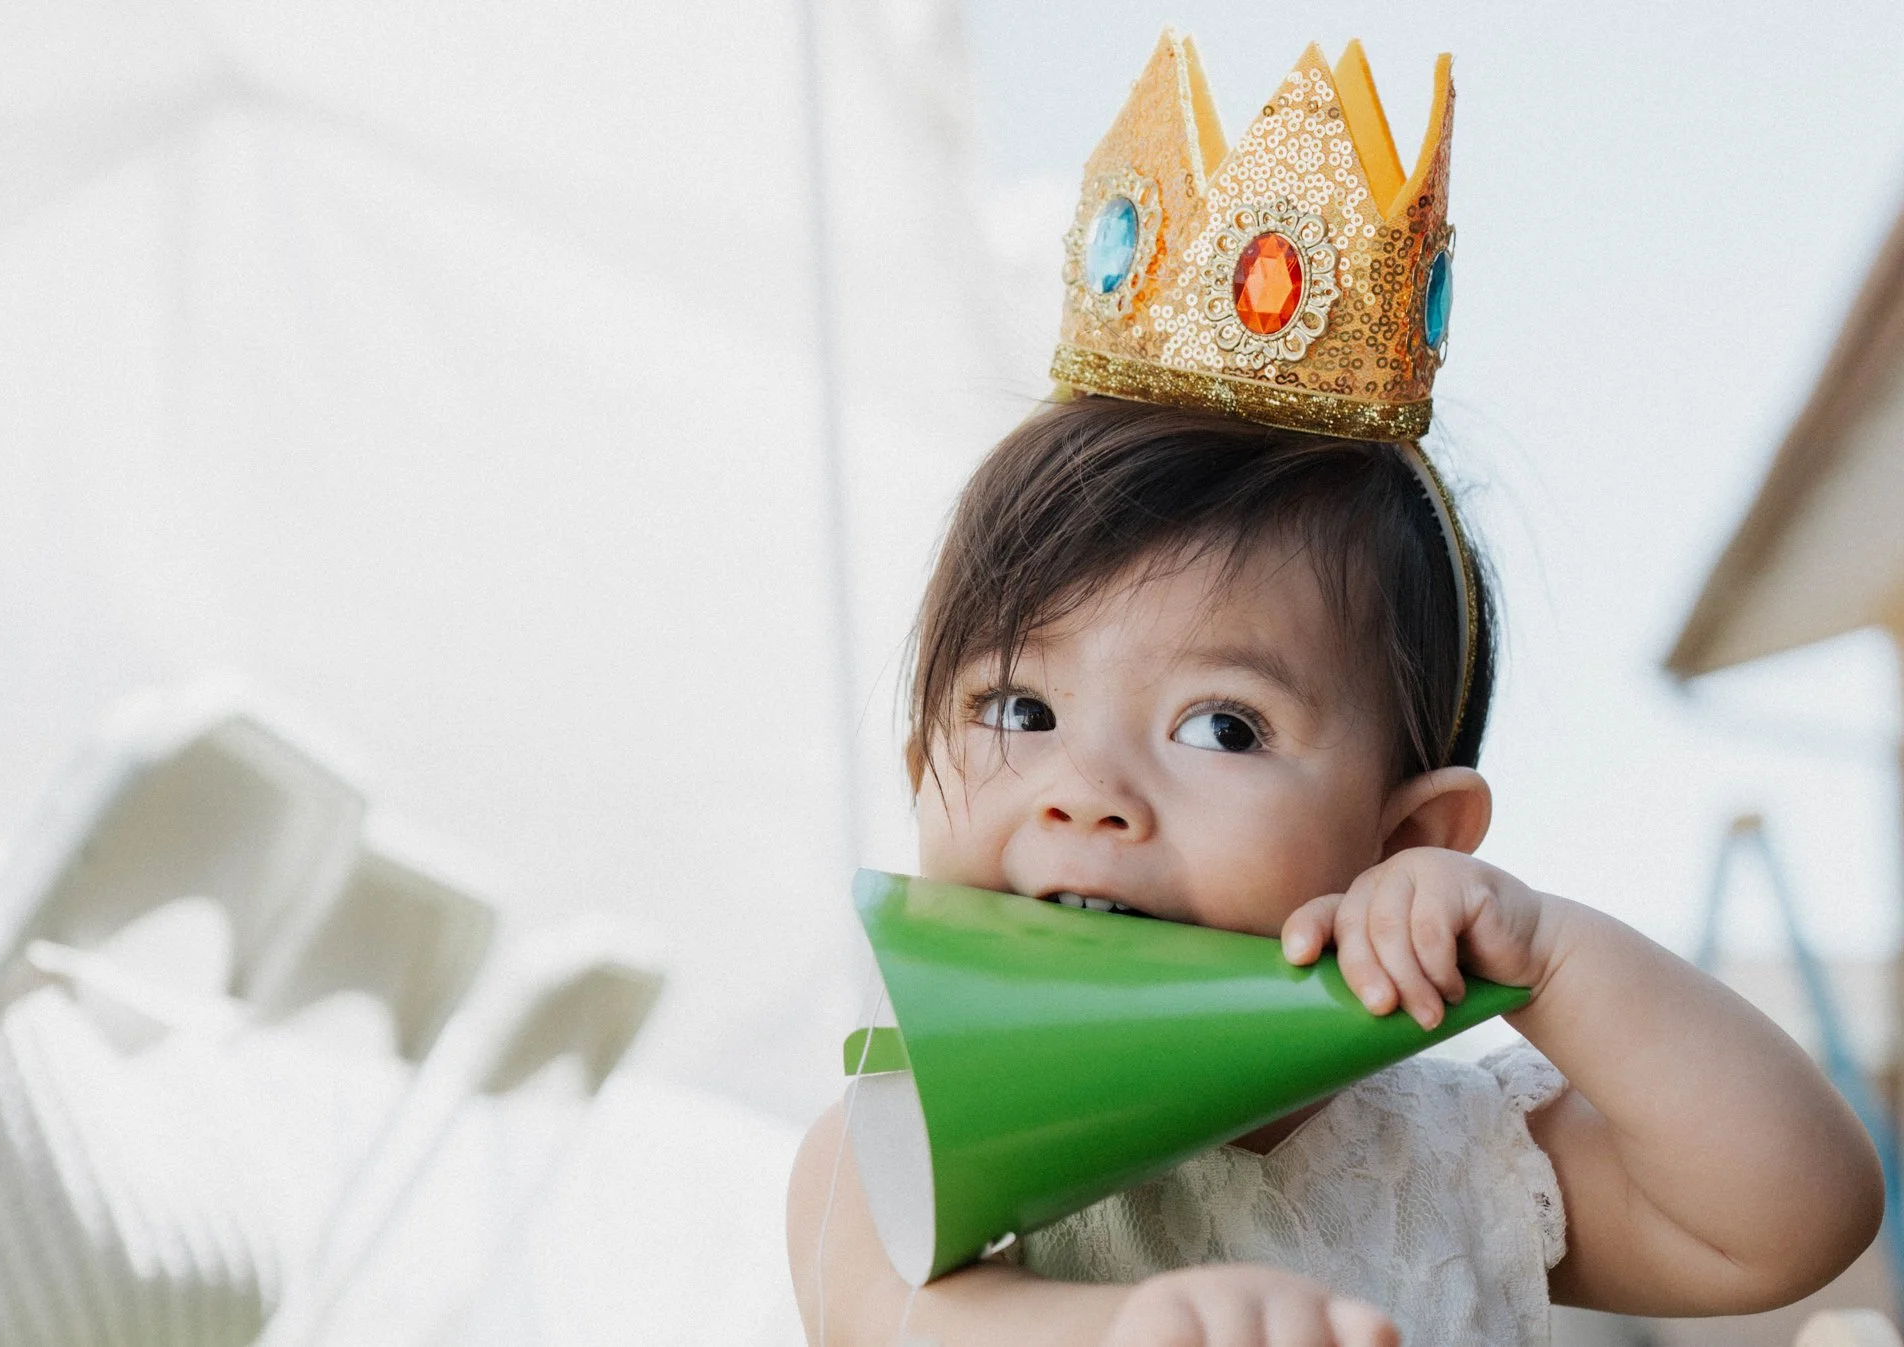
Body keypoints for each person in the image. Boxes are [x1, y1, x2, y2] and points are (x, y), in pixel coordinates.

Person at [785, 31, 1884, 1347]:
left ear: (1407, 841)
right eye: (1019, 709)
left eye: (1221, 725)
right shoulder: (900, 1137)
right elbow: (895, 1321)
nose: (1088, 792)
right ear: (920, 770)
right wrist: (1137, 1323)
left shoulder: (1454, 1151)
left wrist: (1548, 957)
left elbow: (1795, 1212)